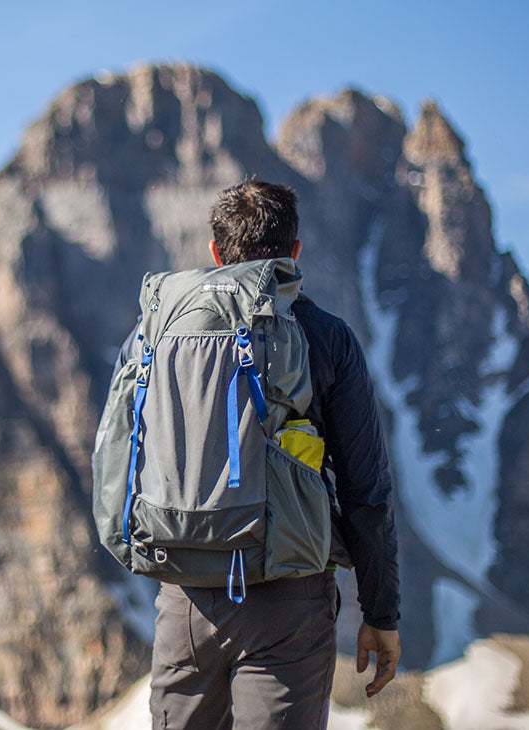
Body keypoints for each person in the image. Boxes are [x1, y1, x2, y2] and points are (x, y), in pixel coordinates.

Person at [116, 179, 401, 729]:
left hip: (184, 599)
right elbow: (367, 490)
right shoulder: (326, 338)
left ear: (215, 254)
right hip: (288, 602)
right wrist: (381, 612)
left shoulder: (155, 334)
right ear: (294, 255)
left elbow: (124, 446)